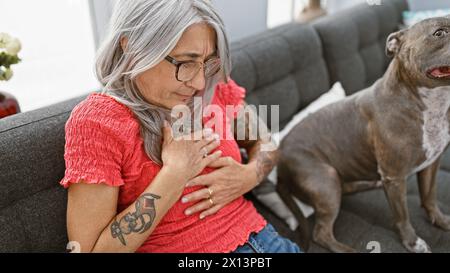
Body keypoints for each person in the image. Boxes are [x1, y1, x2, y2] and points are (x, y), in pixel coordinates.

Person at [60, 0, 301, 253]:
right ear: (131, 47)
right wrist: (175, 173)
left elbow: (266, 141)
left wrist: (248, 176)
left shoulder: (212, 86)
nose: (198, 83)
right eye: (186, 62)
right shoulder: (97, 122)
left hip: (269, 242)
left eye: (207, 62)